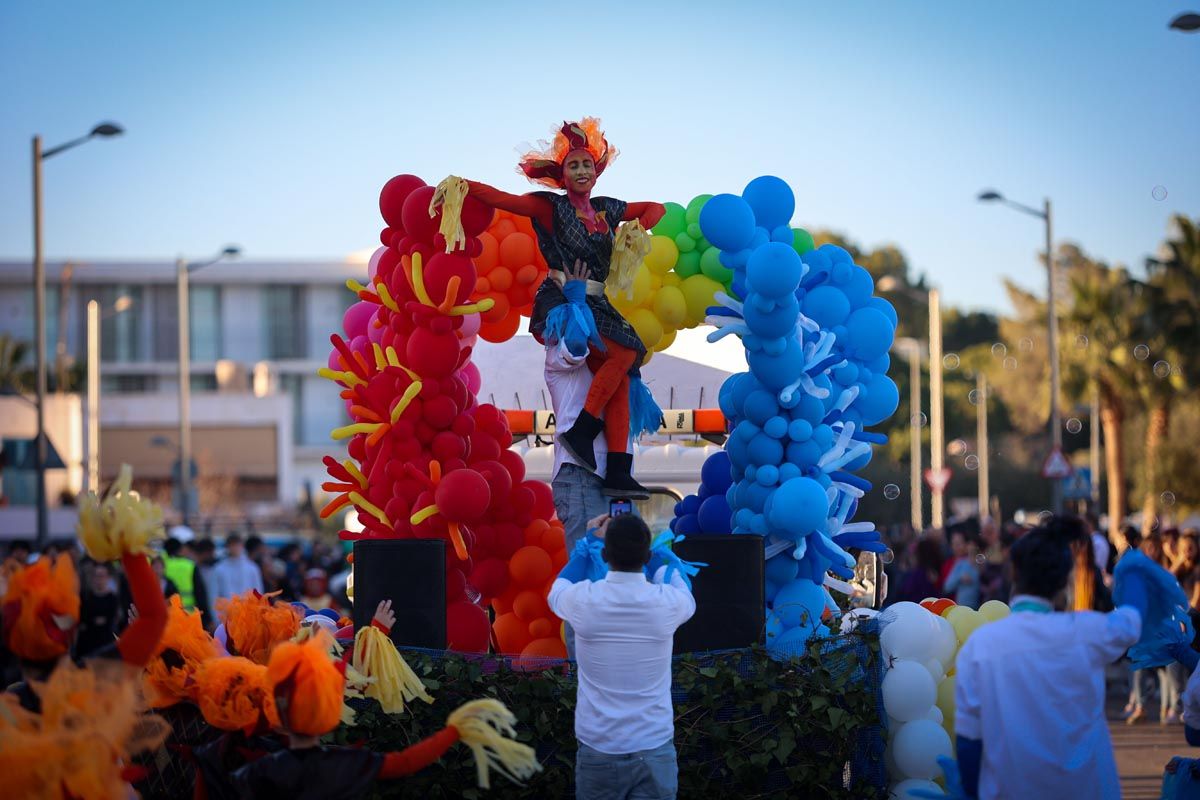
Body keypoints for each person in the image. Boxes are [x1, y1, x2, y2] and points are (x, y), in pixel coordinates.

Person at [432, 118, 666, 498]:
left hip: (597, 300)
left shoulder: (606, 210)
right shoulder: (550, 209)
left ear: (596, 171)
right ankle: (583, 430)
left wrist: (639, 228)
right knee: (625, 352)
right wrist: (465, 186)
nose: (581, 170)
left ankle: (619, 472)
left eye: (587, 164)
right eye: (573, 165)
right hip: (563, 297)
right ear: (562, 175)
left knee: (623, 376)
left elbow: (654, 208)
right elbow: (503, 199)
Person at [952, 515, 1167, 800]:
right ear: (1067, 578)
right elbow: (1133, 619)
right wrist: (1137, 565)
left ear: (1013, 572)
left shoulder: (981, 645)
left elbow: (969, 743)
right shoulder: (1088, 631)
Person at [548, 514, 696, 800]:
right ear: (647, 555)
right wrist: (655, 560)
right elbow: (682, 588)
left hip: (598, 749)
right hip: (654, 748)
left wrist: (587, 542)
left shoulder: (584, 601)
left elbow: (558, 589)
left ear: (603, 555)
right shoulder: (666, 603)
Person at [75, 560, 120, 657]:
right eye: (97, 576)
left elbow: (111, 618)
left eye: (102, 576)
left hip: (105, 643)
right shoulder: (86, 597)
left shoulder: (112, 599)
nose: (99, 579)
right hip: (87, 645)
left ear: (107, 578)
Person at [162, 534, 211, 622]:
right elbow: (200, 594)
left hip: (166, 616)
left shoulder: (158, 566)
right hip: (188, 616)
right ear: (179, 550)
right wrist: (207, 619)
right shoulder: (189, 566)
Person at [214, 533, 264, 601]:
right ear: (227, 547)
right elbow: (214, 595)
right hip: (226, 610)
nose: (235, 548)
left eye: (237, 545)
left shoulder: (252, 568)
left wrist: (258, 609)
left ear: (242, 546)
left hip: (249, 610)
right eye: (232, 545)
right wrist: (216, 611)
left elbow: (258, 591)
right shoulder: (219, 569)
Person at [943, 532, 981, 609]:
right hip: (961, 608)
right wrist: (960, 578)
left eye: (974, 548)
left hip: (978, 608)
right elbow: (947, 587)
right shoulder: (960, 564)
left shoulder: (981, 564)